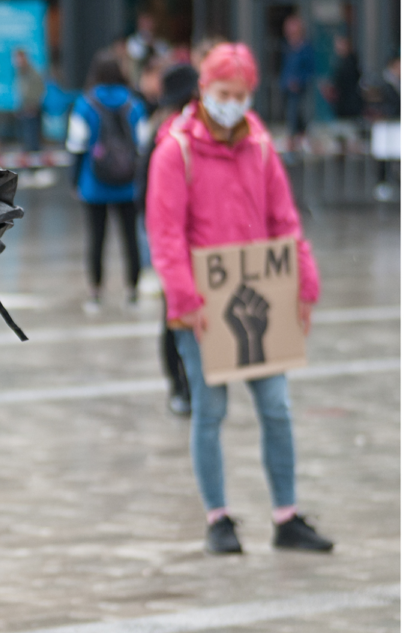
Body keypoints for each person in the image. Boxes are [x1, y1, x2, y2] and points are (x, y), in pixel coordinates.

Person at [147, 42, 333, 555]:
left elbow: (285, 221)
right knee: (210, 412)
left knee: (276, 407)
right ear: (203, 89)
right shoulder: (175, 151)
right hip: (202, 309)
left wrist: (305, 283)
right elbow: (165, 235)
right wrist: (185, 300)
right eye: (222, 92)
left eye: (240, 94)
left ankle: (286, 515)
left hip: (259, 295)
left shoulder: (261, 146)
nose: (231, 102)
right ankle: (218, 518)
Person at [136, 63, 198, 416]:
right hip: (171, 237)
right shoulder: (162, 133)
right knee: (173, 312)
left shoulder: (187, 130)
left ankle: (188, 384)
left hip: (200, 240)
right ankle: (179, 385)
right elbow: (143, 188)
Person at [66, 51, 147, 314]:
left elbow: (76, 145)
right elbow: (144, 145)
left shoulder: (85, 104)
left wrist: (74, 181)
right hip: (128, 183)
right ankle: (133, 289)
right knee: (130, 237)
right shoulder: (134, 104)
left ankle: (96, 291)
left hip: (95, 183)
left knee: (97, 238)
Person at [280, 15, 315, 149]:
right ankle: (292, 141)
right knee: (290, 114)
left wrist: (299, 81)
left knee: (298, 113)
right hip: (286, 88)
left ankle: (299, 139)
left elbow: (310, 70)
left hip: (300, 89)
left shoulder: (305, 48)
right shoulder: (287, 47)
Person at [323, 35, 363, 122]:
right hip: (344, 102)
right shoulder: (341, 62)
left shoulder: (350, 63)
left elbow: (344, 82)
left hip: (348, 103)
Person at [14, 48, 46, 153]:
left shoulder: (33, 73)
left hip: (32, 109)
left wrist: (33, 105)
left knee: (33, 138)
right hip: (24, 108)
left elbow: (39, 90)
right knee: (25, 139)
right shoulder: (20, 73)